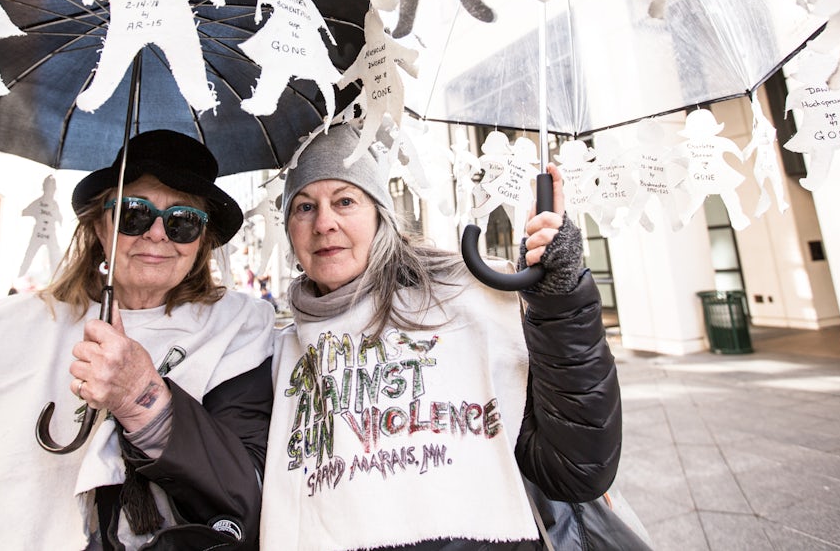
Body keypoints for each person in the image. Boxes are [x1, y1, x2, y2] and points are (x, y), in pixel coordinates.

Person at [259, 125, 640, 550]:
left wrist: (562, 299)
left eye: (345, 201)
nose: (324, 223)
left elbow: (577, 465)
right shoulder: (278, 355)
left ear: (380, 214)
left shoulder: (467, 305)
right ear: (290, 230)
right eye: (304, 207)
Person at [0, 130, 276, 550]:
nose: (157, 234)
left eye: (183, 221)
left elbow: (245, 493)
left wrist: (145, 398)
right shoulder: (1, 337)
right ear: (100, 227)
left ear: (201, 242)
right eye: (133, 214)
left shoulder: (242, 332)